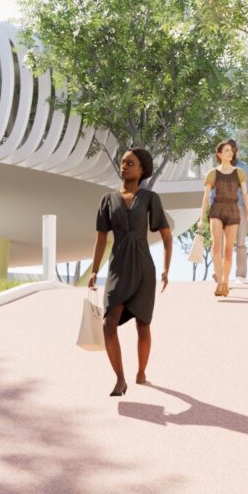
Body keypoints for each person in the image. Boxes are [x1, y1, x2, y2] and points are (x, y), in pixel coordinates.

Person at [86, 147, 172, 397]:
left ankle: (141, 372)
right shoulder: (107, 200)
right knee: (108, 323)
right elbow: (101, 239)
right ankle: (120, 378)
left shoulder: (150, 198)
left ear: (142, 169)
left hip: (144, 267)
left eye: (130, 163)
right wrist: (94, 271)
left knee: (143, 325)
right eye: (123, 162)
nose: (124, 166)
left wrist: (166, 268)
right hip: (118, 269)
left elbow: (166, 236)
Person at [198, 139, 248, 298]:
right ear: (220, 154)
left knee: (228, 251)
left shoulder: (240, 172)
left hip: (233, 210)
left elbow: (246, 195)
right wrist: (201, 219)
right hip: (217, 210)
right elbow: (205, 197)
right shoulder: (212, 173)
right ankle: (220, 282)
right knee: (216, 247)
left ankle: (226, 282)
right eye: (226, 150)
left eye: (231, 150)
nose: (230, 152)